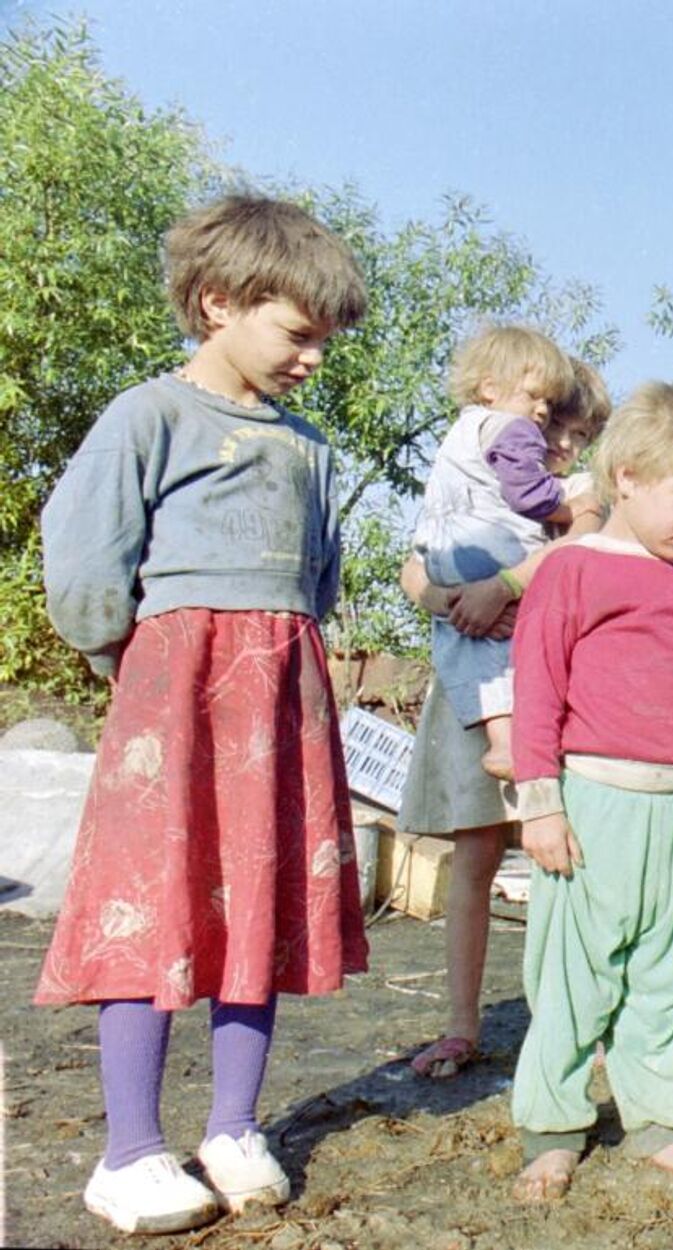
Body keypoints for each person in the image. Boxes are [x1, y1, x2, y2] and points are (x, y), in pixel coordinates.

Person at [34, 195, 370, 1235]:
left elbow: (318, 576)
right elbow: (84, 559)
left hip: (280, 703)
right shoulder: (151, 415)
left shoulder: (308, 448)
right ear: (219, 303)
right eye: (298, 332)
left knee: (255, 903)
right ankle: (129, 1149)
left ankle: (233, 1124)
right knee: (151, 901)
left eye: (327, 339)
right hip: (173, 698)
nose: (314, 357)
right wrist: (130, 665)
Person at [508, 382, 673, 1201]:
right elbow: (537, 689)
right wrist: (539, 803)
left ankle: (656, 1118)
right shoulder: (569, 571)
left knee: (670, 969)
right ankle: (554, 1128)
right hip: (592, 805)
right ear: (628, 478)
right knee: (576, 972)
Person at [397, 357, 610, 1081]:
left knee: (562, 850)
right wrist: (459, 603)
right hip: (471, 675)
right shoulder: (480, 476)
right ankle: (461, 1023)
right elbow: (415, 569)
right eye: (554, 427)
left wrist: (504, 586)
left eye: (578, 435)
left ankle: (584, 1017)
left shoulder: (578, 495)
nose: (561, 447)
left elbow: (580, 543)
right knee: (474, 858)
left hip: (552, 686)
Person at [413, 324, 581, 780]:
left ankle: (499, 740)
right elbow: (528, 492)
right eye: (535, 397)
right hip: (494, 552)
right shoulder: (513, 427)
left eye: (548, 402)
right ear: (490, 388)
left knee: (466, 650)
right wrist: (570, 501)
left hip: (444, 557)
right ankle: (509, 745)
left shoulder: (458, 432)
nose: (541, 412)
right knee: (506, 654)